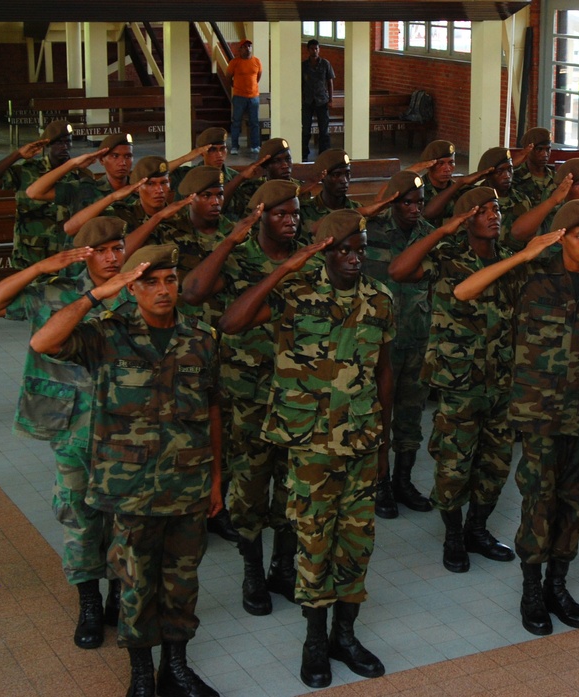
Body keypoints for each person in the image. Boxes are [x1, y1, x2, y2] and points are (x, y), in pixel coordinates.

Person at [30, 243, 222, 697]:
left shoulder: (201, 337)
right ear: (131, 287)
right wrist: (99, 294)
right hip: (130, 489)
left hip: (188, 484)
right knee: (135, 584)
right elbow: (44, 342)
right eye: (149, 281)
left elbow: (213, 407)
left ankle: (174, 667)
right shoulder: (105, 334)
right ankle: (141, 674)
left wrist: (216, 479)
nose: (162, 290)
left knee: (182, 582)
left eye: (170, 280)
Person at [219, 210, 392, 687]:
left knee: (357, 545)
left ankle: (345, 635)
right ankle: (314, 641)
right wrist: (285, 270)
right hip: (311, 446)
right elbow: (231, 323)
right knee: (314, 545)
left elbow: (384, 374)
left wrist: (384, 445)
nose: (354, 259)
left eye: (359, 250)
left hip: (361, 441)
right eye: (343, 250)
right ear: (322, 250)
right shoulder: (294, 294)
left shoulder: (379, 299)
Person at [455, 200, 579, 637]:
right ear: (561, 238)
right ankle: (531, 589)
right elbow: (463, 292)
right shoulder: (530, 278)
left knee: (577, 501)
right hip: (540, 414)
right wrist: (524, 254)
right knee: (539, 502)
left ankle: (557, 586)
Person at [0, 218, 130, 650]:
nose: (112, 257)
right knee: (78, 516)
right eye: (102, 250)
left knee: (124, 518)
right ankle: (89, 601)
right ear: (84, 254)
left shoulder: (137, 287)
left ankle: (117, 600)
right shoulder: (53, 291)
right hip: (73, 428)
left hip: (129, 428)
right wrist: (36, 269)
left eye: (118, 248)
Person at [182, 180, 304, 616]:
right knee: (250, 487)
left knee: (292, 486)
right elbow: (193, 293)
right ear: (259, 217)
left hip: (298, 392)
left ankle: (283, 568)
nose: (291, 220)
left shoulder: (307, 256)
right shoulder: (235, 258)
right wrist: (231, 239)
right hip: (246, 393)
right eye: (281, 214)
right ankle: (253, 572)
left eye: (295, 213)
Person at [389, 187, 515, 573]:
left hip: (501, 381)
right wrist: (443, 231)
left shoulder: (510, 261)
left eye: (497, 209)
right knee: (454, 464)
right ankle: (454, 535)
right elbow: (399, 270)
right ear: (466, 219)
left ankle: (479, 528)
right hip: (458, 382)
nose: (494, 216)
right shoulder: (447, 259)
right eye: (484, 211)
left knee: (494, 464)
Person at [364, 170, 436, 517]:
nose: (414, 208)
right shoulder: (372, 232)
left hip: (416, 339)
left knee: (410, 415)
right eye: (406, 202)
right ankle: (380, 483)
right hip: (379, 345)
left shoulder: (429, 236)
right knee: (380, 415)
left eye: (419, 202)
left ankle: (403, 480)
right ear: (393, 201)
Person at [0, 119, 91, 270]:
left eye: (67, 142)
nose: (64, 147)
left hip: (67, 257)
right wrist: (17, 155)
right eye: (58, 143)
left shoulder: (80, 175)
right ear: (47, 145)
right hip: (30, 255)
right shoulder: (27, 171)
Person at [26, 132, 136, 217]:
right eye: (115, 156)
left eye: (128, 156)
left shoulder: (141, 191)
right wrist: (72, 164)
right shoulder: (84, 189)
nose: (122, 163)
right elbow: (34, 192)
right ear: (102, 160)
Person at [168, 126, 239, 196]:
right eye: (213, 150)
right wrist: (185, 158)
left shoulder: (235, 177)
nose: (219, 154)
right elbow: (160, 171)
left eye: (222, 149)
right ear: (202, 152)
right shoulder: (187, 174)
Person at [301, 39, 335, 160]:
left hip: (322, 100)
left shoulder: (325, 64)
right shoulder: (304, 65)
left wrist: (331, 99)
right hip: (308, 101)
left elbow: (330, 81)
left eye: (316, 49)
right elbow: (300, 83)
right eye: (312, 49)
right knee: (306, 129)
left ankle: (324, 154)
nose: (314, 51)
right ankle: (304, 154)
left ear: (319, 50)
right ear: (308, 50)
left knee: (324, 130)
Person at [228, 39, 263, 155]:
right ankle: (234, 146)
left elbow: (258, 77)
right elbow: (229, 77)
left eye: (249, 46)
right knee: (236, 122)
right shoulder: (235, 62)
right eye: (245, 46)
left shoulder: (257, 61)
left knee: (254, 122)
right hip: (239, 97)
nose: (248, 48)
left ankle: (255, 145)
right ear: (240, 49)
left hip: (253, 97)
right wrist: (235, 86)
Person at [513, 127, 555, 204]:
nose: (545, 154)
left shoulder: (556, 177)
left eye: (548, 149)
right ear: (528, 150)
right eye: (539, 149)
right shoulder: (515, 176)